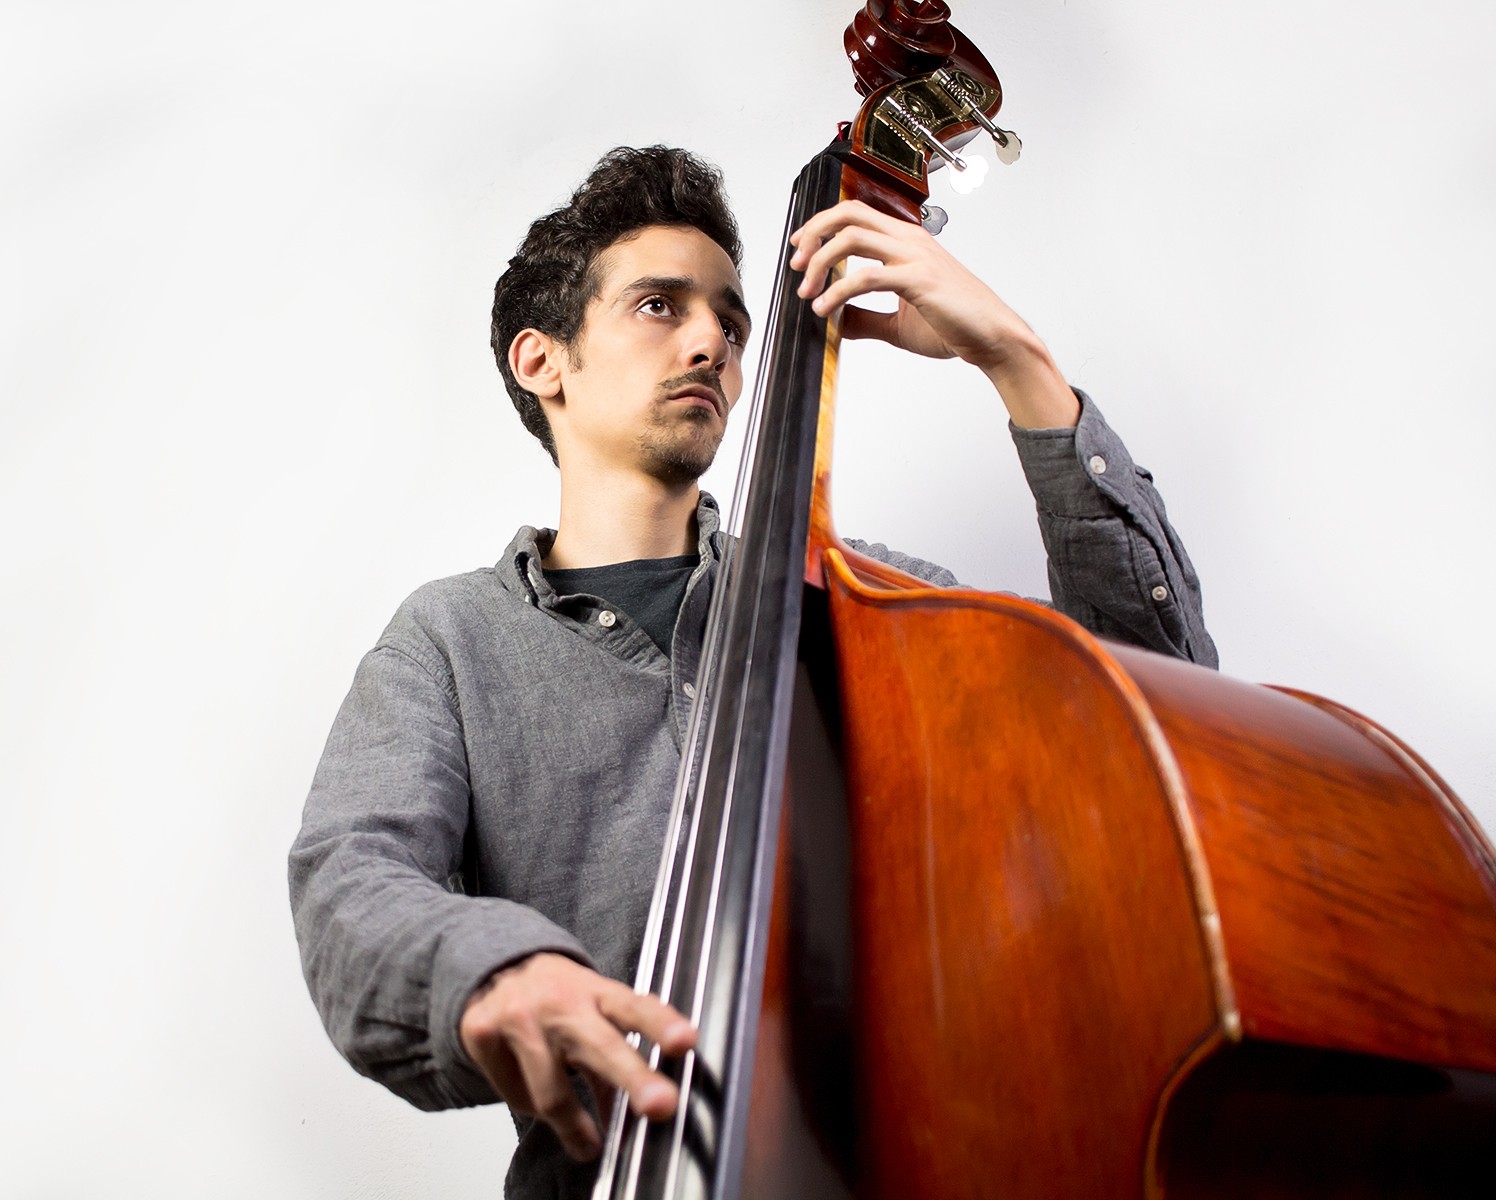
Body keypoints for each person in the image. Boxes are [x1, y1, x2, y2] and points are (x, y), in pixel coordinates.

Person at [288, 145, 1216, 1199]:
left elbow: (1158, 711)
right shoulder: (450, 640)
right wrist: (496, 969)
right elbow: (350, 882)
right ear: (542, 361)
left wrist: (1018, 365)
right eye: (658, 306)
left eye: (731, 324)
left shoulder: (873, 609)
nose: (712, 344)